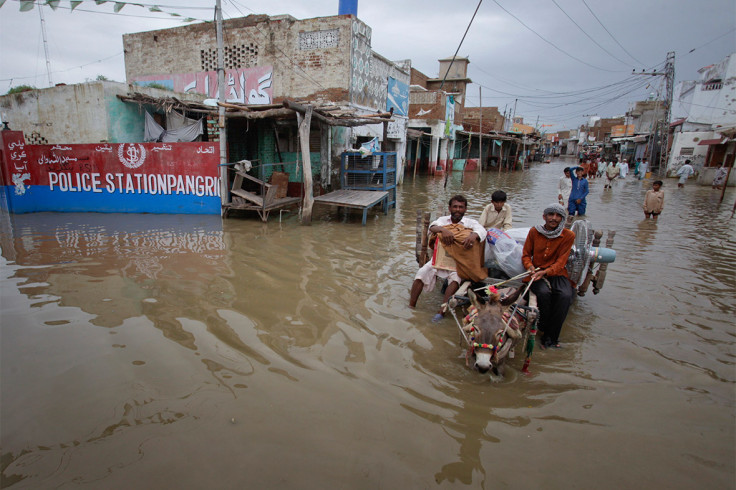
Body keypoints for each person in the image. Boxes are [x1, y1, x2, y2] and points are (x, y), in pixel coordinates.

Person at [410, 195, 487, 321]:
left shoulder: (470, 223)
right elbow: (432, 227)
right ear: (450, 208)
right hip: (439, 259)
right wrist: (443, 230)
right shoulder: (443, 220)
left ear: (465, 209)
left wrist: (473, 235)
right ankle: (411, 306)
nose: (458, 210)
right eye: (455, 206)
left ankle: (441, 312)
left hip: (458, 262)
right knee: (421, 273)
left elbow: (482, 231)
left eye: (461, 207)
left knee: (455, 280)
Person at [522, 203, 576, 348]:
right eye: (551, 215)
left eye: (558, 216)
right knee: (543, 294)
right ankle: (543, 327)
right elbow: (526, 255)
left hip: (557, 273)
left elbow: (561, 261)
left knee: (565, 296)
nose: (554, 218)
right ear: (544, 217)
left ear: (562, 219)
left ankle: (552, 338)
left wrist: (546, 272)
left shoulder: (568, 235)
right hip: (536, 271)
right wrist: (530, 267)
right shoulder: (534, 232)